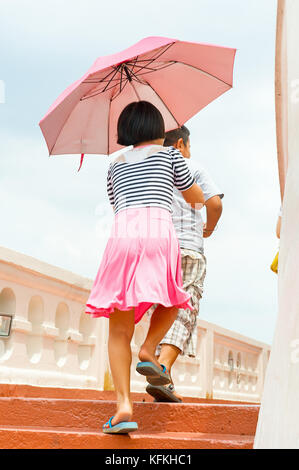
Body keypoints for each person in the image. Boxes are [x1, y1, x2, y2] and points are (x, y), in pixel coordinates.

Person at [85, 102, 205, 433]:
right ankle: (150, 348)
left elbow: (116, 203)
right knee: (173, 299)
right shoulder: (171, 157)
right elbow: (195, 198)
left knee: (118, 329)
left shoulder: (115, 164)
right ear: (157, 129)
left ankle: (123, 405)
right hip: (159, 232)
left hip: (123, 235)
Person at [146, 125, 223, 403]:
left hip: (158, 248)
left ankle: (164, 383)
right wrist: (210, 229)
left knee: (160, 311)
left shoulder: (153, 171)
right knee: (184, 310)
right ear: (181, 144)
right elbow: (214, 204)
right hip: (189, 248)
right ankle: (163, 366)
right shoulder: (193, 167)